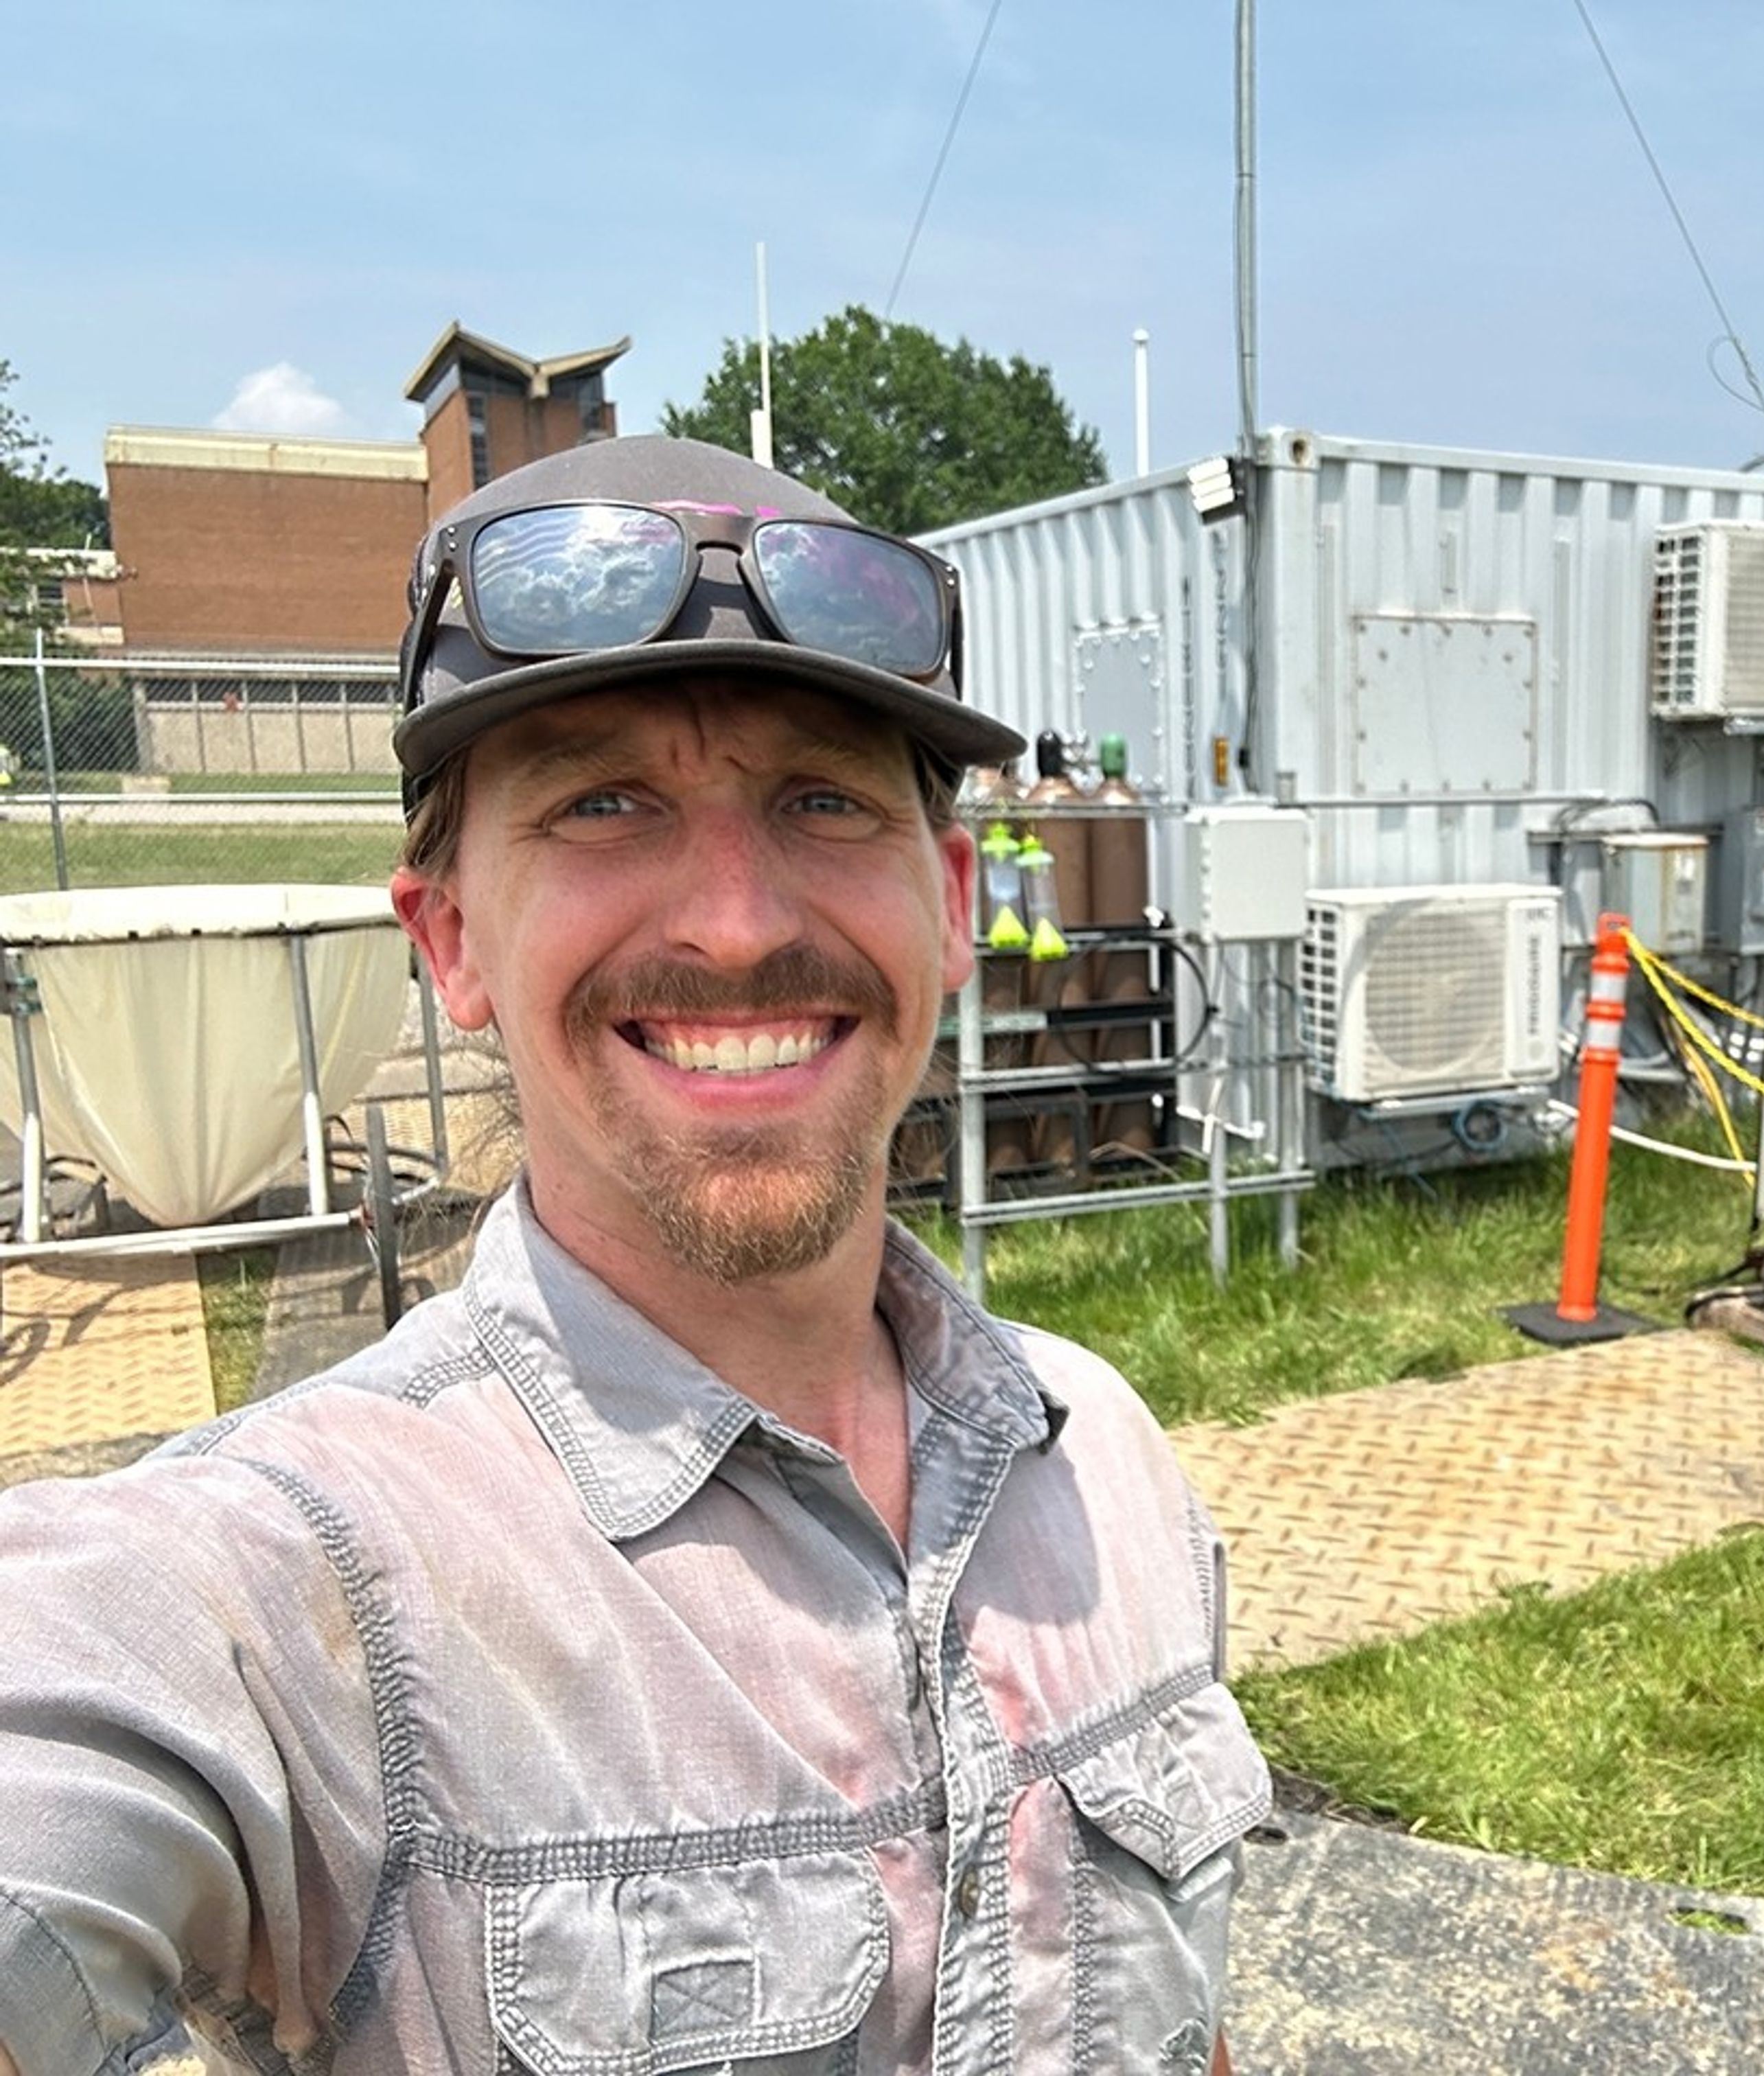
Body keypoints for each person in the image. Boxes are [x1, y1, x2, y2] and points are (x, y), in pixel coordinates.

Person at [0, 437, 1266, 2074]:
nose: (738, 923)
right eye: (603, 805)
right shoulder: (297, 1580)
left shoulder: (1109, 1467)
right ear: (452, 938)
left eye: (824, 800)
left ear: (952, 903)